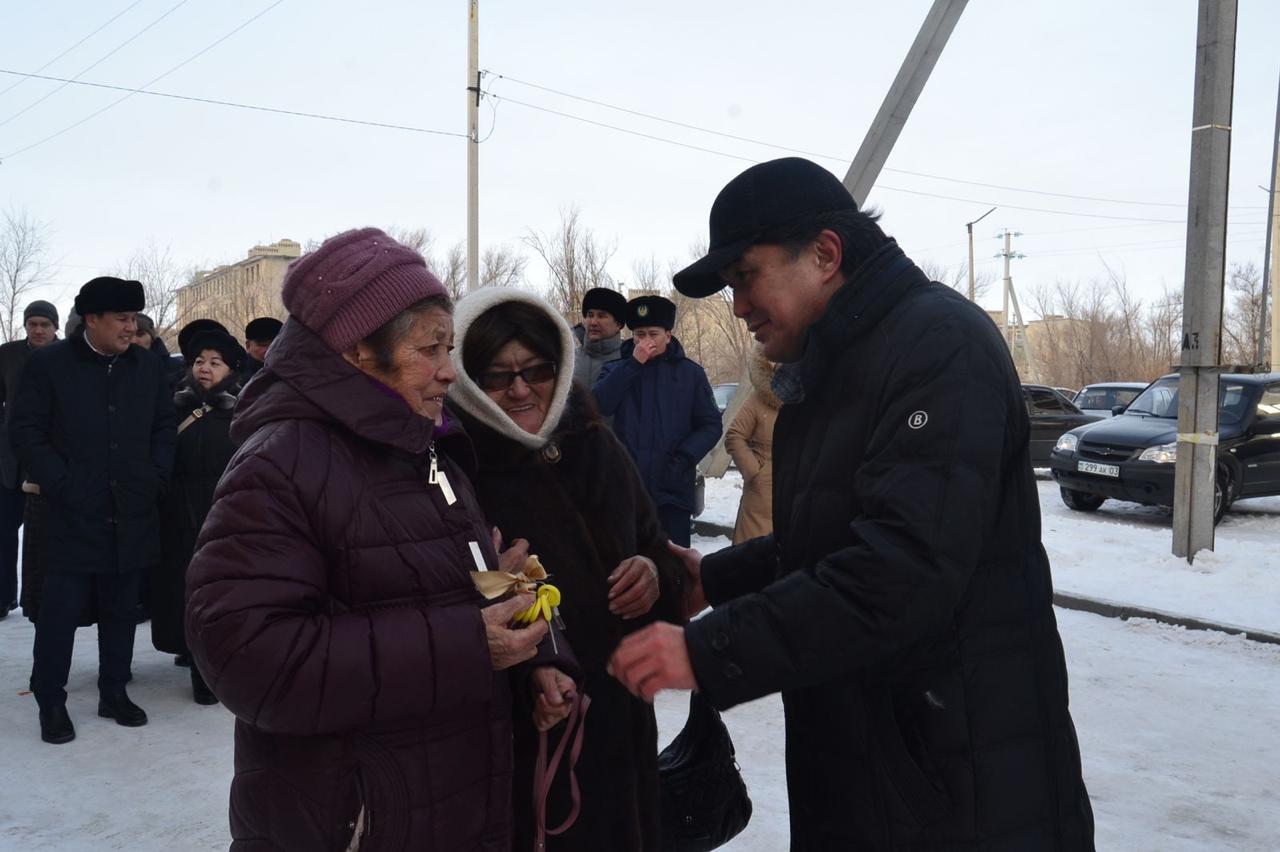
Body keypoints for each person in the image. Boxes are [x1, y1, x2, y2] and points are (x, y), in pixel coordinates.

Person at [609, 158, 1095, 850]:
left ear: (826, 255)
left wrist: (712, 650)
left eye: (745, 277)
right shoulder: (839, 363)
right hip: (879, 764)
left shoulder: (938, 346)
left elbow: (902, 569)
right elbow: (828, 537)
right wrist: (712, 580)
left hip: (955, 783)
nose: (738, 307)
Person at [184, 228, 553, 852]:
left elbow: (407, 586)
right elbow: (247, 656)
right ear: (358, 351)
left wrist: (503, 592)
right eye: (429, 348)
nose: (448, 370)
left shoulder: (425, 446)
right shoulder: (283, 461)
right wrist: (469, 641)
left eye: (450, 346)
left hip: (442, 800)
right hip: (353, 817)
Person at [448, 287, 685, 851]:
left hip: (624, 709)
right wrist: (529, 671)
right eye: (498, 376)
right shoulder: (458, 468)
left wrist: (653, 573)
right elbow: (454, 604)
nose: (521, 389)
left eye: (536, 369)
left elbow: (655, 545)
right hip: (536, 729)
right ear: (467, 378)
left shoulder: (595, 443)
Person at [11, 277, 176, 745]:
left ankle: (113, 691)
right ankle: (50, 699)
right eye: (122, 319)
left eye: (134, 319)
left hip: (133, 507)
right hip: (70, 513)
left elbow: (165, 428)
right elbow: (25, 431)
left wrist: (155, 475)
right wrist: (62, 483)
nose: (132, 327)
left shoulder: (147, 367)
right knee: (59, 612)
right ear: (92, 320)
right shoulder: (48, 366)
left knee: (122, 609)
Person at [149, 328, 246, 705]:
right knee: (184, 591)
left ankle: (217, 664)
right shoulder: (172, 409)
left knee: (223, 594)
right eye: (199, 362)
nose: (205, 369)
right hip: (178, 516)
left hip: (226, 518)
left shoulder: (243, 414)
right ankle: (194, 660)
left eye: (215, 363)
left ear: (231, 370)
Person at [592, 295, 721, 546]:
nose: (646, 341)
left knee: (674, 569)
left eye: (653, 334)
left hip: (672, 490)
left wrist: (684, 457)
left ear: (668, 336)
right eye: (640, 334)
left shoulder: (690, 374)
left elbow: (711, 424)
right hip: (628, 491)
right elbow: (600, 404)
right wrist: (633, 365)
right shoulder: (616, 369)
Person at [0, 300, 60, 619]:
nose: (38, 330)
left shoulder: (70, 357)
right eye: (32, 324)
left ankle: (41, 599)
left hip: (50, 460)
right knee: (4, 532)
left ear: (55, 328)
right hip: (10, 462)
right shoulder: (7, 355)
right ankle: (3, 596)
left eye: (45, 325)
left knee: (46, 537)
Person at [724, 344, 779, 544]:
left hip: (801, 490)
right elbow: (734, 435)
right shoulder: (758, 399)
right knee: (752, 564)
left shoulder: (810, 399)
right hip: (761, 497)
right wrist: (755, 471)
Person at [571, 287, 627, 390]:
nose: (593, 322)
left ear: (618, 324)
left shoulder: (628, 361)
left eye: (601, 316)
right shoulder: (570, 359)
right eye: (590, 315)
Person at [241, 315, 282, 383]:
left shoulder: (290, 370)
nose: (268, 350)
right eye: (262, 345)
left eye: (274, 345)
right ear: (248, 346)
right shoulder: (238, 374)